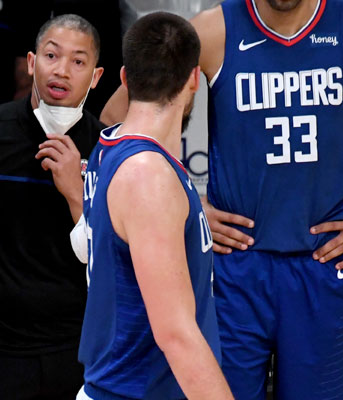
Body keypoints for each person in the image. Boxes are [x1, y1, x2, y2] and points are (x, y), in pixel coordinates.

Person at [99, 0, 343, 398]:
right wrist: (189, 204)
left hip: (323, 265)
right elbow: (117, 114)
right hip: (238, 269)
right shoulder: (217, 30)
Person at [0, 14, 104, 399]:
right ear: (32, 63)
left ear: (96, 77)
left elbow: (119, 259)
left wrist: (75, 193)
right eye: (52, 56)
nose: (61, 71)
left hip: (76, 354)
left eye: (78, 62)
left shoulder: (107, 150)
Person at [77, 12, 232, 400]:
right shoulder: (148, 175)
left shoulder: (109, 146)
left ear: (125, 79)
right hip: (132, 391)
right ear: (195, 78)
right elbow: (176, 335)